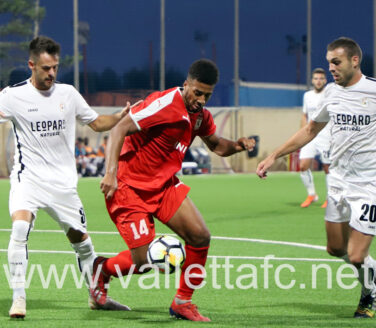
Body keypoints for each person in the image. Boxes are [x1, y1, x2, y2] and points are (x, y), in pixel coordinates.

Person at [90, 59, 256, 322]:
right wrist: (110, 173)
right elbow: (120, 128)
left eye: (207, 95)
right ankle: (103, 270)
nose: (201, 100)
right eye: (197, 92)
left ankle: (183, 302)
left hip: (164, 186)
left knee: (200, 236)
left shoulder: (200, 115)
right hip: (129, 188)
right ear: (186, 84)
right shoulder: (165, 103)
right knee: (144, 262)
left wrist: (239, 145)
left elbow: (217, 145)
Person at [0, 36, 132, 318]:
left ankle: (96, 297)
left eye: (55, 68)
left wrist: (119, 116)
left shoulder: (68, 94)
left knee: (82, 242)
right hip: (28, 179)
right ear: (31, 65)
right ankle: (19, 299)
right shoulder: (12, 96)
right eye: (46, 68)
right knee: (20, 229)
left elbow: (97, 123)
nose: (51, 74)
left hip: (62, 185)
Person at [257, 37, 376, 318]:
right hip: (337, 181)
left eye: (336, 62)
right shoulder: (331, 94)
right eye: (328, 63)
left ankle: (369, 293)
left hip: (369, 185)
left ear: (354, 60)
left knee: (356, 255)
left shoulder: (373, 91)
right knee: (335, 249)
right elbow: (311, 130)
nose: (331, 68)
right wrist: (274, 155)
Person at [299, 68, 331, 208]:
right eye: (316, 78)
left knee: (327, 167)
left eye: (321, 79)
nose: (318, 81)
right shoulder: (307, 95)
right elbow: (304, 115)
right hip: (310, 135)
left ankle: (330, 197)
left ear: (325, 80)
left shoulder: (329, 94)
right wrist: (302, 133)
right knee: (303, 165)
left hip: (326, 135)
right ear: (312, 81)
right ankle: (312, 194)